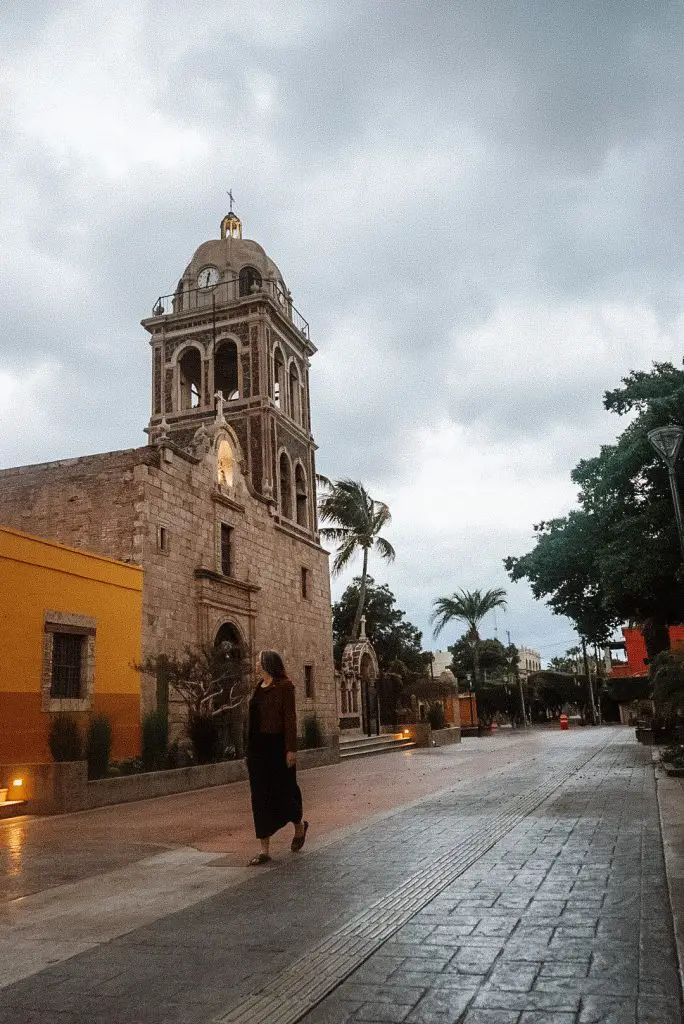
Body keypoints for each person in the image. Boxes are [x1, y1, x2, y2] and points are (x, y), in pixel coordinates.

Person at [246, 650, 308, 865]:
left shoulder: (285, 687)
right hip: (258, 750)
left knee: (285, 791)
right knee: (260, 797)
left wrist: (291, 749)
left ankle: (299, 826)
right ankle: (264, 849)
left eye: (259, 660)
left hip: (278, 747)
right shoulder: (258, 688)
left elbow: (290, 719)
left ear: (268, 664)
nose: (255, 663)